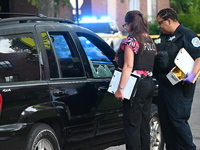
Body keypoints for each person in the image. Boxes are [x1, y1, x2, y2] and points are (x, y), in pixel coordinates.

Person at [154, 8, 200, 150]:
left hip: (180, 85)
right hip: (164, 84)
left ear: (169, 20)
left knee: (177, 120)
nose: (159, 26)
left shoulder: (187, 35)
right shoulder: (162, 37)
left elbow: (198, 57)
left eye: (160, 23)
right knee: (166, 121)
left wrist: (192, 74)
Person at [114, 10, 157, 150]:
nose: (125, 27)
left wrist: (120, 88)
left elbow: (128, 66)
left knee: (132, 126)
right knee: (144, 125)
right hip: (149, 83)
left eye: (125, 24)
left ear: (131, 23)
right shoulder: (149, 39)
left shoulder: (131, 40)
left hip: (135, 86)